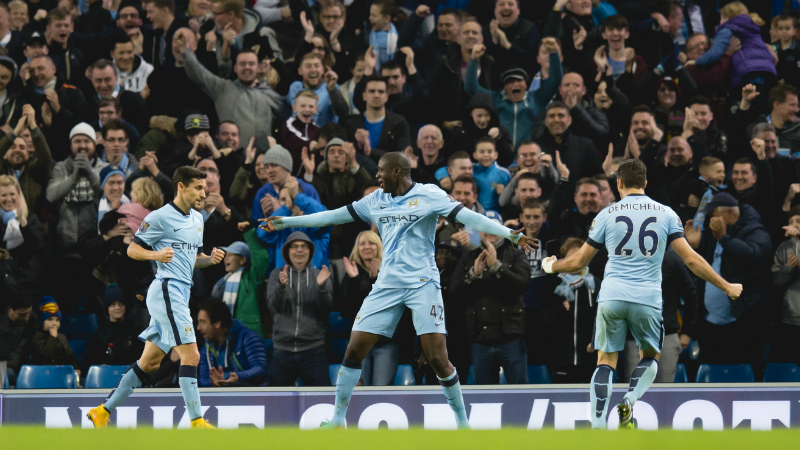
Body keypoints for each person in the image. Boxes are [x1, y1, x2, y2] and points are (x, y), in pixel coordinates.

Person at [259, 152, 537, 429]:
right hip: (387, 286)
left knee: (438, 358)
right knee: (353, 350)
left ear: (396, 172)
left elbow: (470, 217)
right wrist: (286, 222)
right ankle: (338, 419)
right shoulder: (375, 200)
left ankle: (462, 423)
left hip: (423, 285)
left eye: (381, 170)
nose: (377, 175)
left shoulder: (429, 194)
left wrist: (509, 234)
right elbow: (332, 216)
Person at [543, 158, 742, 429]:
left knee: (605, 361)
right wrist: (727, 286)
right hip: (647, 298)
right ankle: (629, 399)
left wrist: (551, 265)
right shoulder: (666, 214)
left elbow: (579, 261)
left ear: (619, 183)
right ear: (645, 183)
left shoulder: (606, 215)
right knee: (649, 357)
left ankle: (599, 423)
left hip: (612, 296)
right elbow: (691, 260)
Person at [86, 166, 224, 429]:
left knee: (148, 363)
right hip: (166, 291)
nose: (203, 193)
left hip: (180, 293)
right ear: (181, 187)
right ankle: (197, 422)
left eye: (204, 188)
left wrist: (210, 260)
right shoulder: (159, 217)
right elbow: (133, 249)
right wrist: (156, 255)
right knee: (191, 355)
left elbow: (193, 259)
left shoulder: (198, 219)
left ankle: (102, 411)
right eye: (198, 187)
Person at [683, 193, 772, 368]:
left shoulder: (756, 231)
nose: (711, 220)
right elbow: (706, 270)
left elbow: (754, 256)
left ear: (730, 213)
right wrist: (694, 249)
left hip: (741, 324)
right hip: (710, 323)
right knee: (710, 372)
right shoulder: (713, 234)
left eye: (714, 215)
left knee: (741, 374)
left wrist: (724, 238)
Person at [451, 210, 530, 384]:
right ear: (479, 232)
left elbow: (522, 285)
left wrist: (497, 267)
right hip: (480, 340)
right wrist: (473, 274)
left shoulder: (516, 254)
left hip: (511, 339)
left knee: (519, 393)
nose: (489, 232)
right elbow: (454, 292)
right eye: (485, 227)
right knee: (484, 395)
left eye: (494, 227)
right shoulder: (468, 258)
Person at [466, 38, 562, 149]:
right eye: (510, 81)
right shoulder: (495, 99)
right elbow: (471, 88)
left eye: (519, 80)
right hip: (502, 155)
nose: (515, 84)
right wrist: (474, 60)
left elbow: (555, 80)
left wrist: (554, 53)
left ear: (525, 85)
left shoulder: (536, 98)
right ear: (505, 87)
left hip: (529, 155)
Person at [266, 231, 333, 386]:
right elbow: (274, 307)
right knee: (276, 398)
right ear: (287, 251)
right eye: (294, 246)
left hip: (314, 350)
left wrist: (322, 287)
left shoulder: (320, 275)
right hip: (282, 350)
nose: (299, 250)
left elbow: (326, 309)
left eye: (304, 246)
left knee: (322, 398)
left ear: (310, 251)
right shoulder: (276, 274)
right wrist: (281, 287)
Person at [340, 230, 398, 386]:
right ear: (357, 248)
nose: (367, 247)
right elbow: (347, 310)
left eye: (371, 243)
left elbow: (389, 306)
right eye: (362, 244)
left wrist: (375, 279)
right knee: (359, 390)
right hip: (359, 343)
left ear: (379, 246)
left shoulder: (391, 271)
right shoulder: (351, 274)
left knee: (381, 389)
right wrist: (354, 280)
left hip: (385, 343)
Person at [197, 298, 268, 387]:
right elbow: (203, 380)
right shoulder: (206, 347)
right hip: (220, 394)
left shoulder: (247, 337)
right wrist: (214, 381)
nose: (198, 328)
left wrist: (236, 377)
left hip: (250, 393)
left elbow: (260, 369)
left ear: (217, 323)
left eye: (203, 322)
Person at [210, 240, 270, 338]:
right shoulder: (223, 283)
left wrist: (248, 232)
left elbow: (261, 258)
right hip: (229, 334)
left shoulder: (252, 278)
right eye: (226, 255)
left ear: (242, 260)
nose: (226, 258)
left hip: (251, 334)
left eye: (231, 255)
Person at [84, 284, 145, 371]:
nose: (117, 308)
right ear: (107, 308)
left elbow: (141, 358)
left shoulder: (136, 330)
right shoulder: (100, 335)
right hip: (105, 375)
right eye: (113, 304)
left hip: (130, 374)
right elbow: (90, 361)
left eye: (121, 304)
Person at [771, 206, 800, 363]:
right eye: (791, 222)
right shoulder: (783, 248)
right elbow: (776, 282)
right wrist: (788, 268)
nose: (794, 225)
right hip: (790, 317)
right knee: (789, 361)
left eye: (798, 221)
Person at [30, 297, 80, 373]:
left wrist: (76, 368)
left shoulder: (61, 337)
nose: (54, 323)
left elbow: (70, 356)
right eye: (50, 319)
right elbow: (46, 356)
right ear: (42, 322)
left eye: (57, 320)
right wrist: (53, 337)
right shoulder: (37, 337)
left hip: (62, 371)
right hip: (44, 372)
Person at [0, 292, 36, 387]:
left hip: (16, 366)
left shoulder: (31, 320)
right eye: (22, 315)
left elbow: (20, 350)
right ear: (9, 309)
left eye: (28, 313)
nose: (26, 318)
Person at [471, 137, 510, 212]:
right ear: (474, 155)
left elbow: (509, 198)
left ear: (496, 155)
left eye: (489, 152)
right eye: (482, 152)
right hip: (473, 213)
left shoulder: (504, 174)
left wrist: (504, 192)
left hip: (496, 215)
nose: (486, 155)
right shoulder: (470, 169)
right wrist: (445, 175)